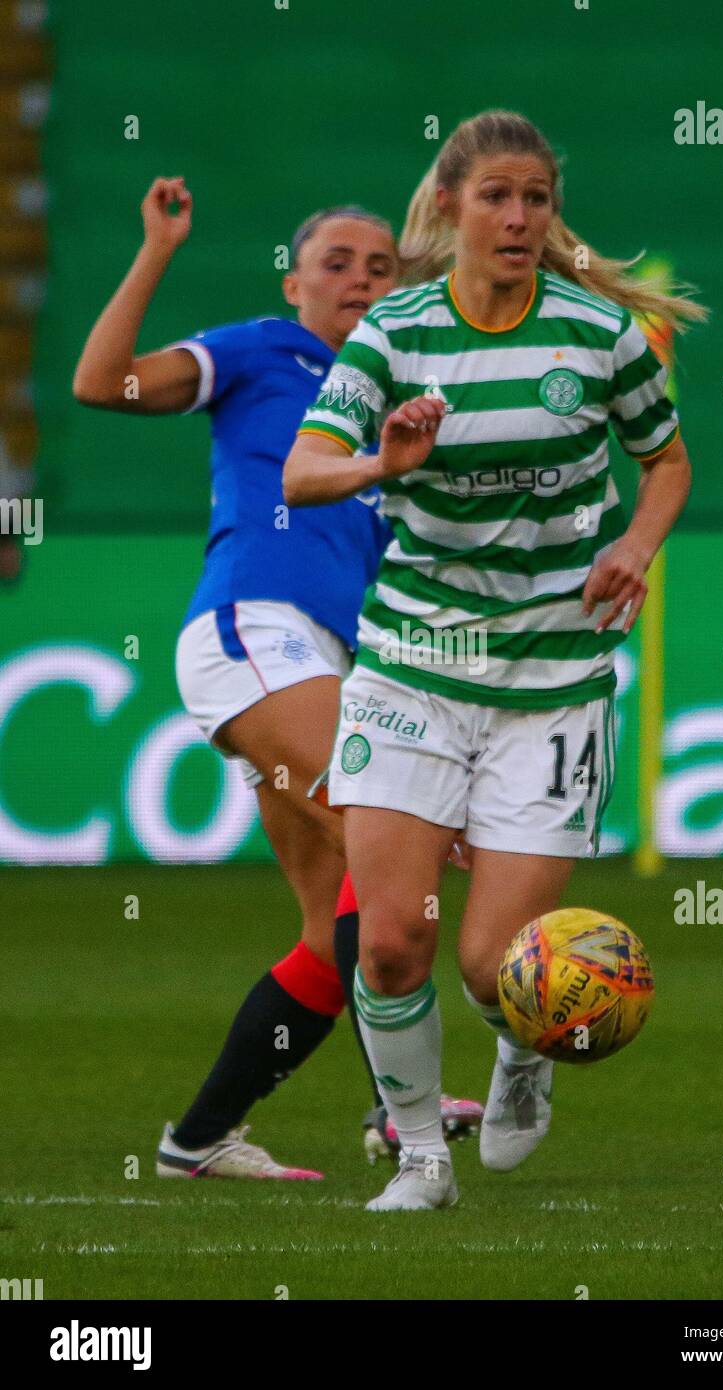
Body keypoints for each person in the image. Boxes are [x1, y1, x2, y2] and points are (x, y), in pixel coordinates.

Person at [284, 109, 706, 1209]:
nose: (518, 218)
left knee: (490, 967)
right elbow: (301, 473)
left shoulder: (597, 334)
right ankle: (422, 1157)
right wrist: (385, 460)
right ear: (451, 207)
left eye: (535, 199)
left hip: (550, 682)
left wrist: (633, 542)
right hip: (412, 667)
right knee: (384, 947)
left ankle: (522, 1055)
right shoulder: (395, 334)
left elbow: (664, 462)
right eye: (495, 198)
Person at [73, 176, 481, 1179]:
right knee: (386, 832)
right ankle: (398, 1115)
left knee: (334, 927)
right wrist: (158, 248)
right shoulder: (264, 350)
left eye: (377, 266)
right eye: (334, 262)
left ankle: (197, 1140)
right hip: (255, 629)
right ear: (293, 281)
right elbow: (101, 382)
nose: (355, 277)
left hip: (325, 656)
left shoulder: (397, 404)